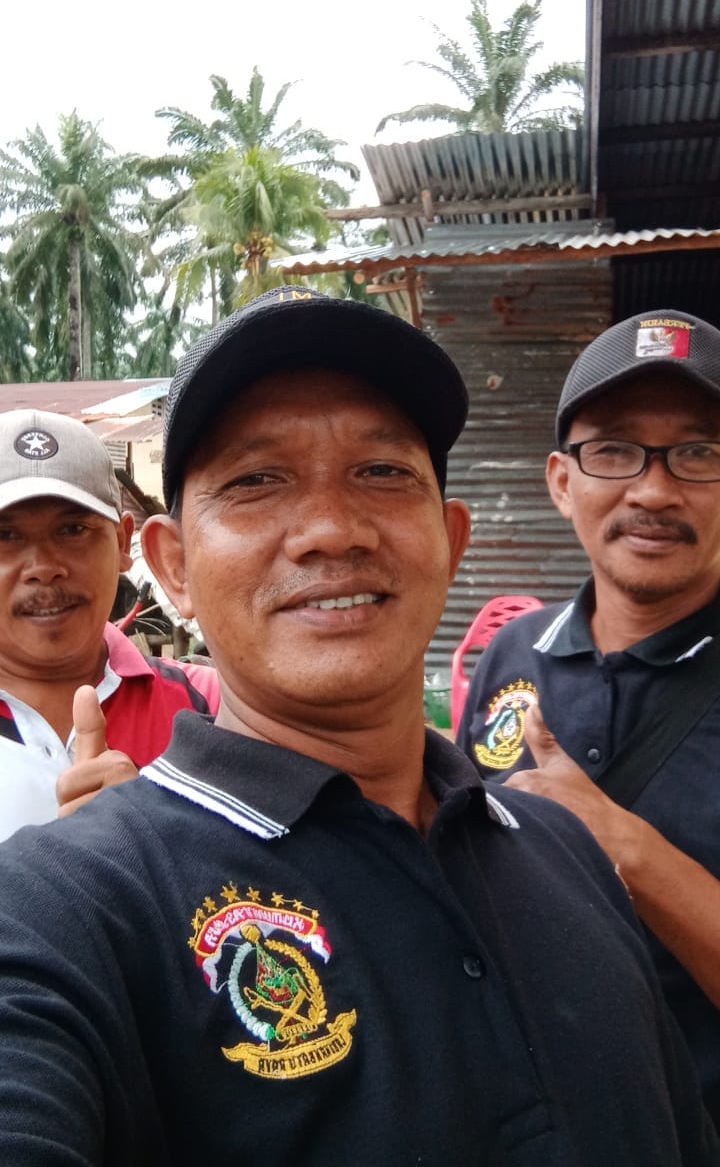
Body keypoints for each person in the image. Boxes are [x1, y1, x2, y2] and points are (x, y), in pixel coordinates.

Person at [0, 289, 715, 1166]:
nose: (332, 531)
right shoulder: (65, 907)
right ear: (172, 566)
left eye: (381, 472)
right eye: (257, 481)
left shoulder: (566, 852)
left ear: (450, 542)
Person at [457, 308, 720, 1128]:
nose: (654, 490)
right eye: (612, 450)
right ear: (561, 481)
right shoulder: (514, 653)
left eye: (699, 453)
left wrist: (621, 847)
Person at [0, 408, 219, 839]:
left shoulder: (215, 707)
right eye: (5, 535)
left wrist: (159, 837)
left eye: (72, 530)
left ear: (122, 542)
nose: (44, 568)